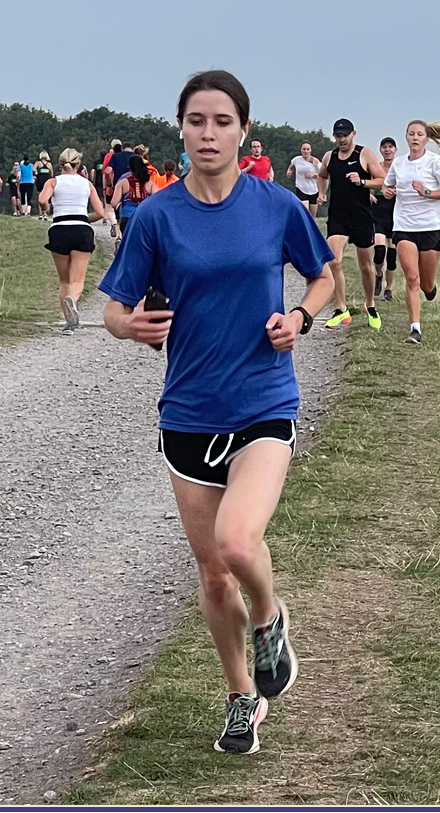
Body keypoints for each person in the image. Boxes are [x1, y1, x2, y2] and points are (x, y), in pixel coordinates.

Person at [98, 69, 331, 756]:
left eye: (222, 121)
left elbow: (324, 278)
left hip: (264, 401)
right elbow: (114, 307)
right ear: (181, 129)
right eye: (196, 121)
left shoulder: (276, 205)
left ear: (243, 131)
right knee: (212, 574)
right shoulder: (157, 216)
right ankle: (240, 697)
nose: (208, 133)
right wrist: (128, 326)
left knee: (236, 542)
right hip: (189, 411)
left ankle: (270, 617)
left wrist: (299, 318)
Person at [383, 120, 440, 345]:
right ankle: (415, 329)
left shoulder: (434, 162)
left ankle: (430, 289)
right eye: (411, 134)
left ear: (426, 138)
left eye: (419, 134)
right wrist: (387, 191)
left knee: (425, 284)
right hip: (404, 227)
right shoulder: (399, 163)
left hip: (430, 227)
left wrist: (426, 192)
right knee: (411, 278)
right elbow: (387, 185)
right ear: (406, 137)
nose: (415, 137)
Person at [315, 118, 387, 330]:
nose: (342, 140)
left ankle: (370, 305)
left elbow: (382, 180)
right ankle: (341, 309)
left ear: (353, 134)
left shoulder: (364, 154)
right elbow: (322, 175)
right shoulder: (329, 156)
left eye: (345, 136)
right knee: (334, 261)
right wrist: (321, 193)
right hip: (338, 217)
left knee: (365, 266)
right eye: (338, 136)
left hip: (361, 217)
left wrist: (363, 182)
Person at [37, 148, 107, 331]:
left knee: (64, 281)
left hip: (59, 229)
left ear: (60, 164)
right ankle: (73, 301)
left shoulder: (53, 181)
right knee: (77, 280)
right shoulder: (87, 184)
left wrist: (49, 209)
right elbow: (101, 212)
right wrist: (83, 218)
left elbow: (42, 199)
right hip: (81, 228)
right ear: (78, 164)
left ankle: (69, 322)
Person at [370, 136, 398, 301]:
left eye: (390, 147)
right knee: (379, 251)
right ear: (381, 150)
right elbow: (367, 184)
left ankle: (389, 289)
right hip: (378, 211)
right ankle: (378, 274)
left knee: (392, 257)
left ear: (395, 150)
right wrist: (368, 194)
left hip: (396, 213)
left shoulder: (400, 167)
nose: (387, 150)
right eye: (384, 147)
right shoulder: (376, 168)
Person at [108, 155, 157, 240]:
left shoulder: (123, 183)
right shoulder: (150, 183)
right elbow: (156, 201)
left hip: (127, 217)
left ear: (129, 167)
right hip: (144, 217)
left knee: (128, 241)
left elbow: (114, 203)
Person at [286, 141, 322, 216]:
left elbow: (323, 173)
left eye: (308, 149)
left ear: (310, 150)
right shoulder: (296, 160)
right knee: (305, 212)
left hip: (313, 190)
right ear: (301, 150)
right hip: (301, 188)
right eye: (304, 149)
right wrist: (289, 172)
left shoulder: (315, 161)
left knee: (312, 216)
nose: (306, 151)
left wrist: (313, 174)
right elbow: (291, 167)